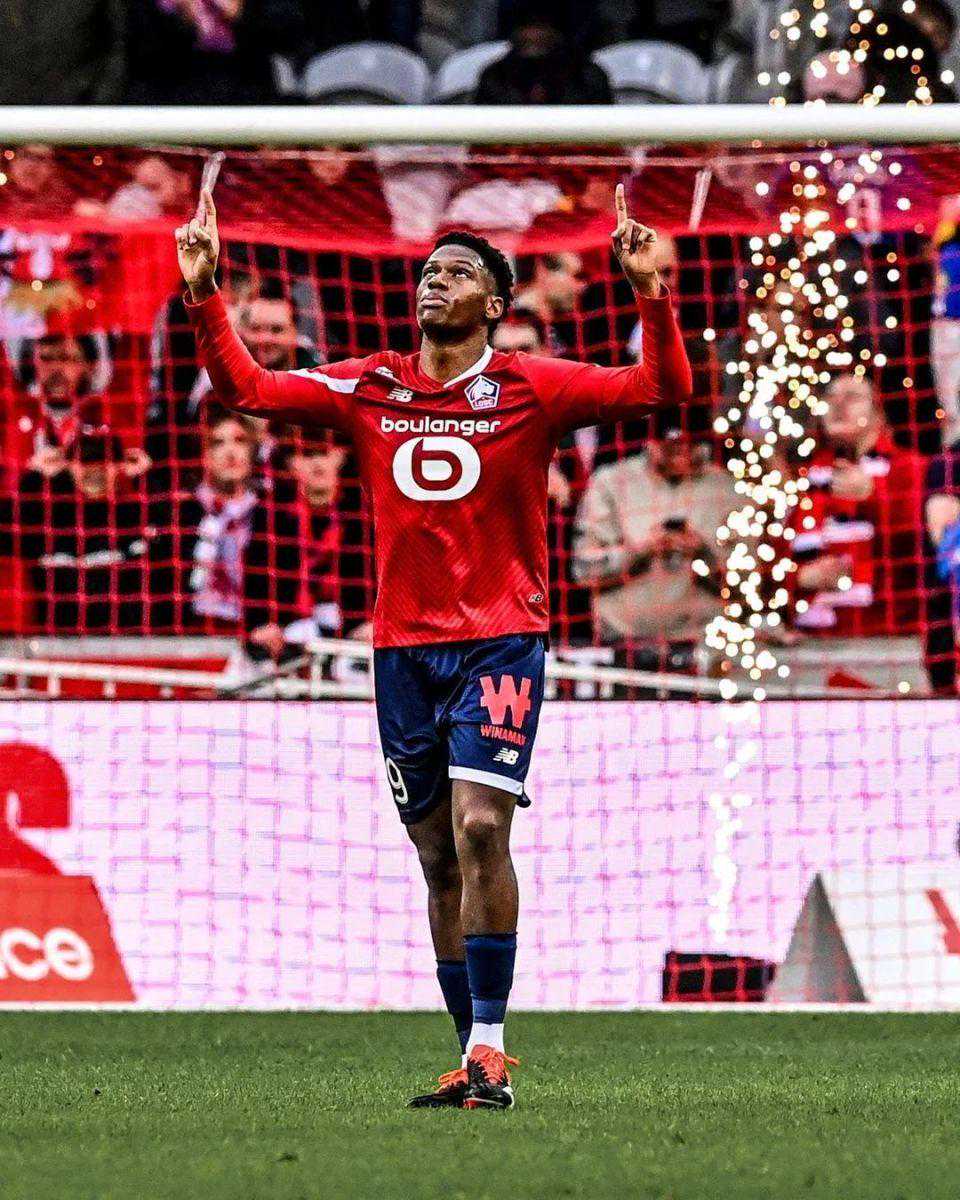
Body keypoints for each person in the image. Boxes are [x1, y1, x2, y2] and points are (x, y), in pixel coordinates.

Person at [176, 181, 691, 1108]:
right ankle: (467, 1056)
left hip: (502, 641)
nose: (434, 282)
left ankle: (492, 1047)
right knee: (436, 857)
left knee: (482, 825)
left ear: (494, 304)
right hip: (401, 652)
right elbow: (246, 388)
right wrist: (205, 290)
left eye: (456, 273)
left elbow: (660, 388)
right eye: (429, 271)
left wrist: (650, 290)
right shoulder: (368, 384)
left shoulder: (533, 383)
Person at [572, 404, 735, 691]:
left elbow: (750, 584)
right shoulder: (612, 482)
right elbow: (582, 570)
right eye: (670, 447)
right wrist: (641, 550)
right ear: (652, 444)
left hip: (704, 652)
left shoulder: (725, 488)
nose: (680, 455)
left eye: (688, 447)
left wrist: (702, 552)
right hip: (622, 651)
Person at [786, 373, 927, 692]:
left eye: (851, 397)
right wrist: (800, 578)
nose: (838, 405)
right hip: (810, 651)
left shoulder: (909, 468)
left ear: (878, 414)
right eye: (830, 397)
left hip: (888, 651)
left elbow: (927, 551)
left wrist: (873, 498)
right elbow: (771, 561)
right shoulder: (805, 479)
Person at [151, 408, 302, 652]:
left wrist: (268, 625)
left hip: (253, 642)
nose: (231, 452)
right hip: (185, 640)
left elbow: (285, 584)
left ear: (252, 450)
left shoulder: (274, 518)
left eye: (240, 441)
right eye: (218, 443)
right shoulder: (179, 513)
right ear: (204, 454)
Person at [0, 425, 152, 635]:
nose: (95, 468)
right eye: (85, 460)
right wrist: (33, 477)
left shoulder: (136, 519)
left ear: (122, 465)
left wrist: (147, 478)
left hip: (125, 646)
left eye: (105, 460)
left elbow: (179, 537)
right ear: (67, 466)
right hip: (57, 647)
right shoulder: (45, 523)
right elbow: (6, 535)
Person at [475, 1, 613, 105]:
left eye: (541, 27)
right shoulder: (495, 78)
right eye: (526, 27)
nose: (533, 35)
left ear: (557, 32)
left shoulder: (587, 78)